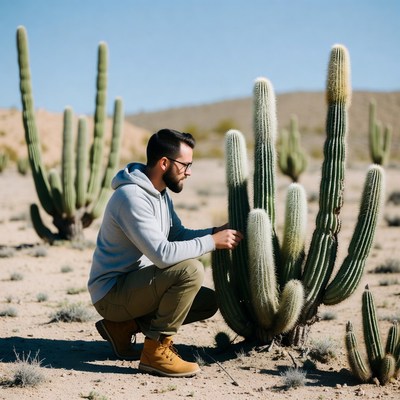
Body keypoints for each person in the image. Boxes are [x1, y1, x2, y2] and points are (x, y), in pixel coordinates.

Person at [88, 128, 243, 377]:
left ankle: (124, 327)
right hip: (111, 293)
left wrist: (215, 231)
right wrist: (213, 242)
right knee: (191, 271)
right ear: (164, 163)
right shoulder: (131, 197)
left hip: (133, 286)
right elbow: (162, 254)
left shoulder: (159, 193)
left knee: (207, 302)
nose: (189, 171)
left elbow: (177, 234)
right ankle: (155, 352)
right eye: (185, 165)